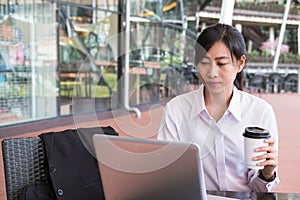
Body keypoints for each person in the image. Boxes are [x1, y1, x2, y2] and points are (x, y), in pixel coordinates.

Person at [158, 23, 279, 192]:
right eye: (204, 63)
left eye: (221, 64)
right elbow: (165, 173)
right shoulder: (177, 110)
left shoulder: (259, 112)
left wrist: (267, 174)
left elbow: (259, 189)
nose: (212, 73)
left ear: (240, 63)